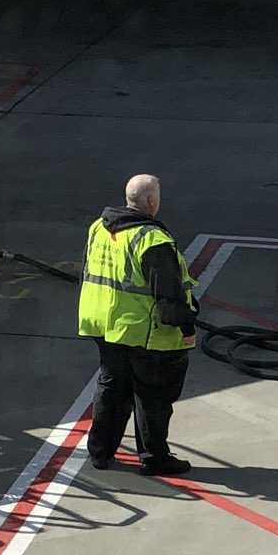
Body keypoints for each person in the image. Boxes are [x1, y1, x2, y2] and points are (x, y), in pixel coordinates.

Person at [77, 173, 198, 476]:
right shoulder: (153, 241)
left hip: (103, 325)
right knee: (153, 396)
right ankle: (154, 457)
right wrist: (187, 326)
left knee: (111, 389)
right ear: (152, 202)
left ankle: (100, 452)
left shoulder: (99, 228)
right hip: (142, 332)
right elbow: (168, 298)